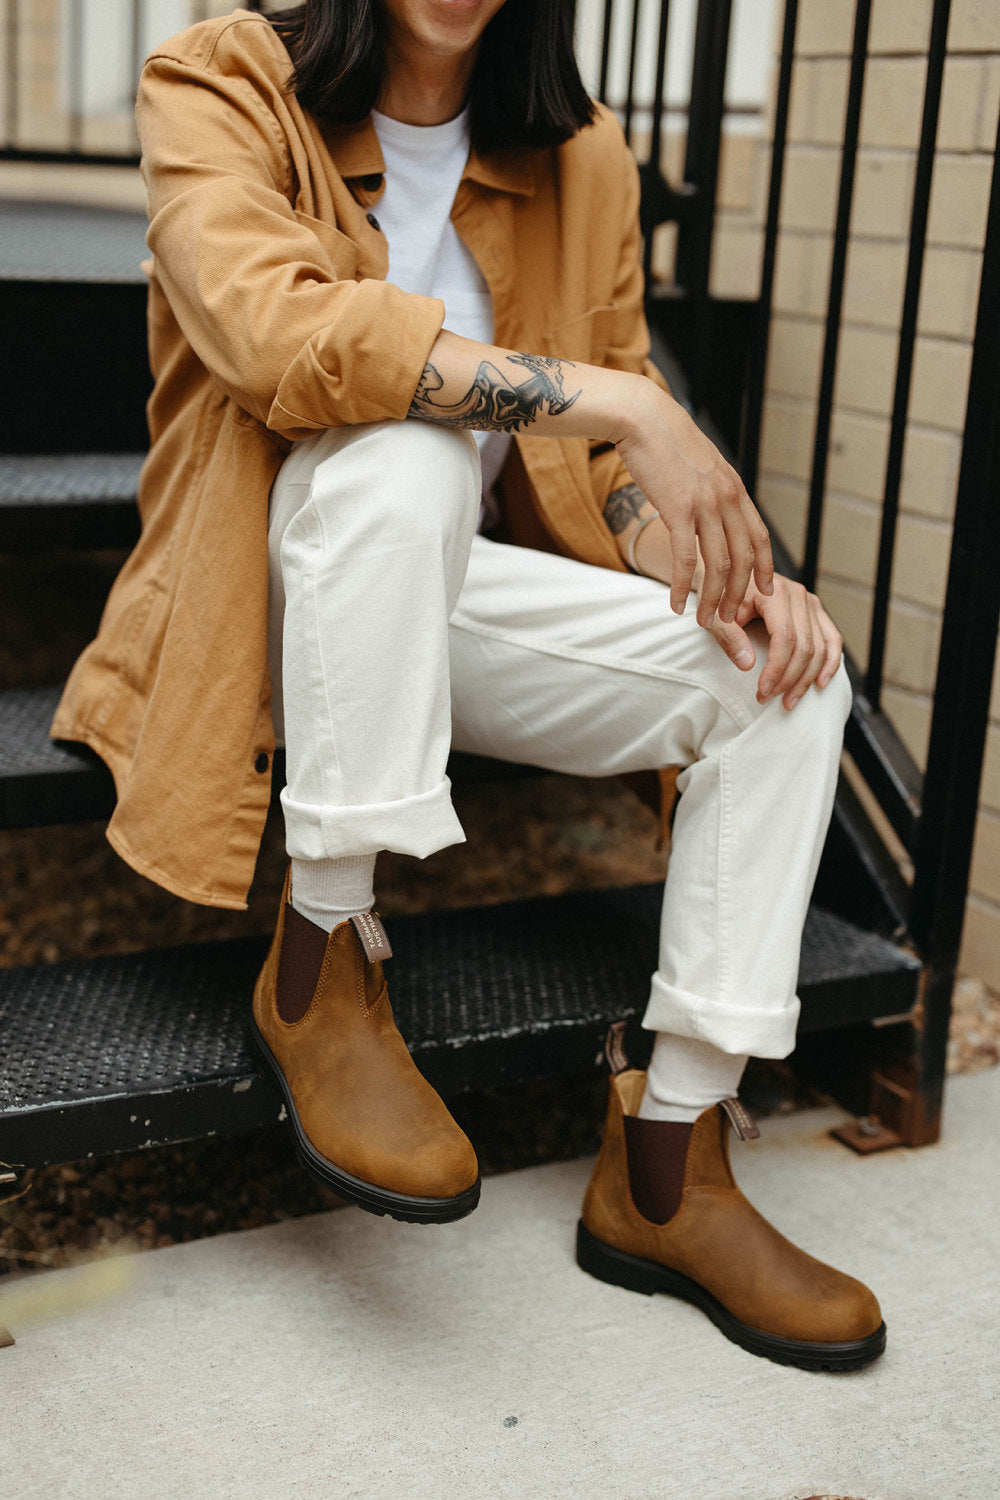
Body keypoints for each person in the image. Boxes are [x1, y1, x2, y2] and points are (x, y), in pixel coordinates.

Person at [53, 0, 885, 1372]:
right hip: (257, 600)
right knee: (407, 448)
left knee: (783, 681)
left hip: (435, 597)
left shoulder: (583, 154)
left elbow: (607, 473)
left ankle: (671, 1164)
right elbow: (282, 337)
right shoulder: (222, 78)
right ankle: (325, 956)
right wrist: (631, 400)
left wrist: (715, 573)